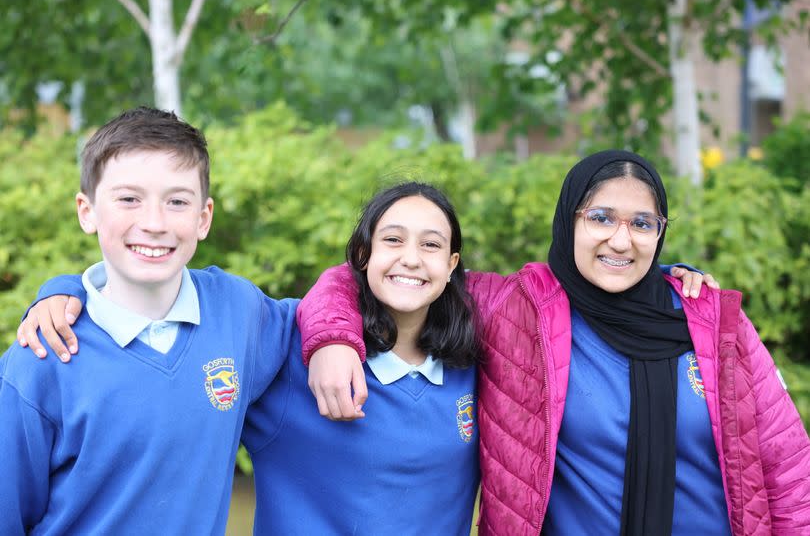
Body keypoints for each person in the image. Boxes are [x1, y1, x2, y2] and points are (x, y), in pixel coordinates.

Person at [296, 150, 810, 535]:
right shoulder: (517, 310)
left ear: (660, 234)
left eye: (642, 224)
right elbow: (383, 274)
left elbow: (789, 472)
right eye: (601, 217)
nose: (621, 240)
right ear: (570, 220)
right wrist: (333, 341)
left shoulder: (715, 323)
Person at [15, 182, 484, 533]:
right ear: (362, 255)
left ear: (452, 263)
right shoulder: (290, 357)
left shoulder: (478, 365)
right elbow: (165, 308)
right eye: (393, 240)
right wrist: (69, 290)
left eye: (431, 244)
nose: (412, 258)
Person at [0, 107, 301, 534]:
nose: (154, 223)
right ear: (87, 212)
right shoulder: (41, 357)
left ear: (204, 218)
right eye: (128, 199)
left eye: (177, 201)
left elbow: (329, 309)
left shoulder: (239, 312)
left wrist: (337, 340)